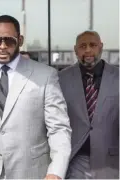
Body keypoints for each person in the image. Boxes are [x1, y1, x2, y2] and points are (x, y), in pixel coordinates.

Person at [0, 15, 72, 179]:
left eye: (9, 41)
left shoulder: (45, 76)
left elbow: (59, 129)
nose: (2, 46)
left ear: (20, 40)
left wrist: (56, 171)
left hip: (30, 173)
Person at [59, 30, 119, 179]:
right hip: (75, 159)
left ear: (101, 47)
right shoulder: (61, 79)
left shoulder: (118, 78)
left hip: (110, 162)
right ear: (75, 50)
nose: (87, 50)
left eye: (92, 45)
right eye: (82, 46)